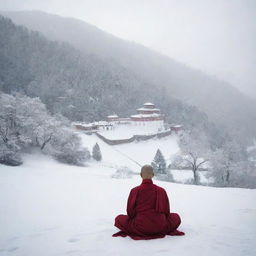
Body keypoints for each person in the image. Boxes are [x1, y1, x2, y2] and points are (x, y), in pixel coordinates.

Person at [112, 164, 184, 240]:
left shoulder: (134, 190)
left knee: (118, 219)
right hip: (160, 226)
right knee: (176, 217)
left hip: (139, 227)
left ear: (140, 175)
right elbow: (166, 212)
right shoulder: (161, 190)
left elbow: (130, 212)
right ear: (153, 175)